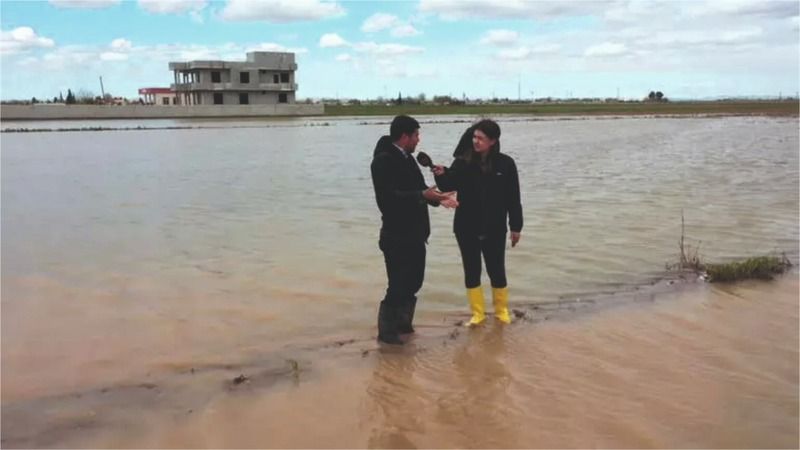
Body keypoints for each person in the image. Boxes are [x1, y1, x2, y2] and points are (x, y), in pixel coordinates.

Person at [370, 115, 457, 345]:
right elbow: (387, 199)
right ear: (405, 136)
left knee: (414, 281)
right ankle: (387, 335)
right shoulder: (382, 161)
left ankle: (404, 326)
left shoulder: (408, 159)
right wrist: (421, 195)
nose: (419, 140)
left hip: (417, 233)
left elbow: (420, 190)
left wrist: (439, 198)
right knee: (398, 284)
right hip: (396, 233)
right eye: (416, 135)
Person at [432, 119, 523, 325]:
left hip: (495, 227)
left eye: (480, 138)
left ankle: (501, 312)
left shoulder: (505, 164)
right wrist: (441, 174)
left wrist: (516, 227)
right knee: (471, 270)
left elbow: (513, 198)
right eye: (474, 137)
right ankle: (478, 314)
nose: (476, 141)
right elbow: (449, 185)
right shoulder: (463, 162)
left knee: (496, 270)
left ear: (493, 141)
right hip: (466, 226)